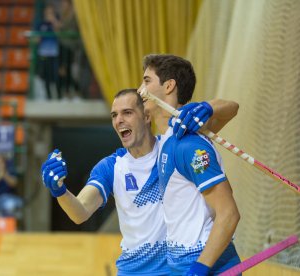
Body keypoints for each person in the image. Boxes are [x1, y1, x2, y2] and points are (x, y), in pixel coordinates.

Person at [41, 88, 238, 275]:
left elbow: (231, 109)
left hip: (175, 269)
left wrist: (207, 107)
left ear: (146, 116)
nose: (119, 120)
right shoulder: (111, 167)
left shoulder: (173, 149)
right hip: (132, 271)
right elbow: (80, 212)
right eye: (114, 115)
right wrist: (60, 191)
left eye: (127, 113)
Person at [139, 53, 240, 275]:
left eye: (146, 81)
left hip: (206, 263)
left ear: (169, 86)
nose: (140, 89)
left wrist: (199, 269)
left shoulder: (188, 145)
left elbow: (229, 214)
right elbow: (232, 108)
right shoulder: (169, 139)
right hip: (181, 263)